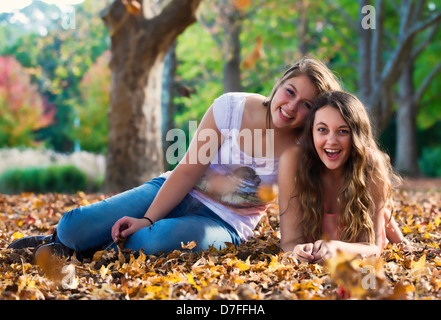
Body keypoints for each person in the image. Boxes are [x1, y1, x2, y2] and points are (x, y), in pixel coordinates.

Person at [8, 57, 342, 258]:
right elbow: (186, 172)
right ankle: (64, 242)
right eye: (290, 91)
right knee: (75, 225)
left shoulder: (303, 148)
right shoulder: (232, 107)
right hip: (174, 188)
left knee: (166, 239)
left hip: (224, 223)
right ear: (279, 83)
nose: (292, 107)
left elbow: (309, 201)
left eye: (307, 105)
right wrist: (147, 218)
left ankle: (102, 251)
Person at [278, 90, 407, 263]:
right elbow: (289, 242)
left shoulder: (370, 164)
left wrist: (336, 247)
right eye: (322, 129)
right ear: (311, 132)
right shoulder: (293, 161)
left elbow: (372, 248)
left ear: (356, 136)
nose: (331, 141)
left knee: (379, 209)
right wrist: (297, 251)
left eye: (343, 131)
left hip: (359, 235)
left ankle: (400, 238)